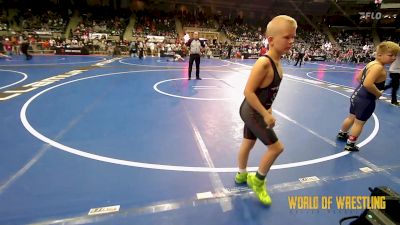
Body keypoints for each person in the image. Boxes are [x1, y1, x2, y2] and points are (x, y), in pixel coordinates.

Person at [235, 15, 297, 205]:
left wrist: (268, 110)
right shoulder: (264, 63)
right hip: (252, 111)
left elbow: (268, 93)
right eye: (287, 37)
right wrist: (264, 114)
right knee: (276, 147)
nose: (291, 41)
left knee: (248, 143)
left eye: (293, 37)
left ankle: (241, 174)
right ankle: (258, 180)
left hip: (256, 110)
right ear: (271, 40)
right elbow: (248, 91)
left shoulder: (278, 62)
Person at [337, 41, 399, 151]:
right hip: (366, 99)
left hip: (357, 95)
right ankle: (350, 144)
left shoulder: (371, 64)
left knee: (351, 117)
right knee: (359, 123)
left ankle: (342, 134)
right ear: (380, 55)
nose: (394, 58)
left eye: (395, 55)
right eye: (391, 55)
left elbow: (359, 78)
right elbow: (367, 83)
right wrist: (378, 93)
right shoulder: (378, 67)